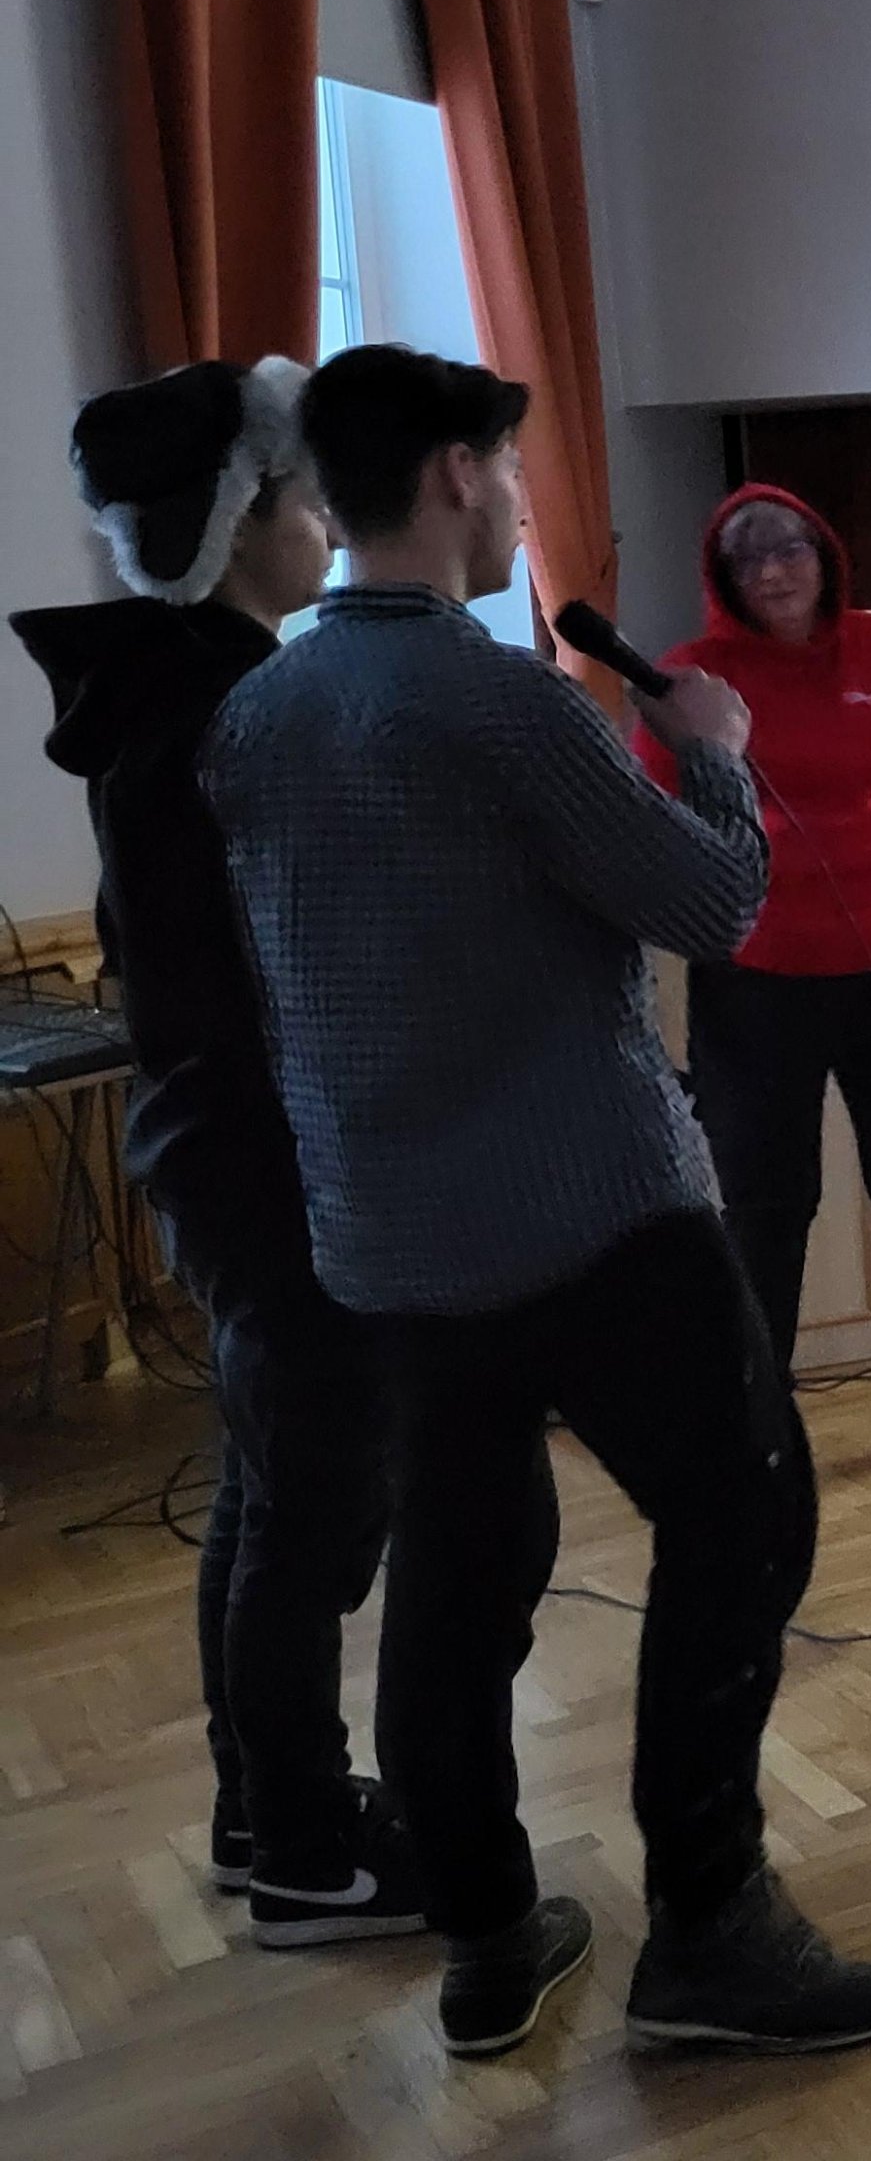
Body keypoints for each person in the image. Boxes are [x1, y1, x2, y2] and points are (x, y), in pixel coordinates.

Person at [200, 342, 871, 2064]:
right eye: (515, 474)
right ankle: (712, 1924)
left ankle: (485, 1934)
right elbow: (714, 905)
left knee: (461, 1573)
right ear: (456, 472)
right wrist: (716, 754)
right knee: (747, 1511)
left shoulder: (257, 715)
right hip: (591, 1214)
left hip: (387, 1233)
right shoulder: (501, 701)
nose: (524, 507)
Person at [12, 359, 429, 1949]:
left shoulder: (180, 689)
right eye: (302, 497)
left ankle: (266, 1807)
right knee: (314, 1499)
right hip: (265, 1146)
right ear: (237, 523)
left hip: (223, 1140)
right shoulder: (229, 710)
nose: (326, 520)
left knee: (268, 1486)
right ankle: (311, 1852)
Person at [637, 482, 871, 1455]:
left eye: (789, 550)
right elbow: (651, 822)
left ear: (825, 553)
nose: (772, 573)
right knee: (766, 1195)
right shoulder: (694, 680)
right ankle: (756, 1403)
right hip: (754, 975)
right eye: (749, 559)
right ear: (723, 578)